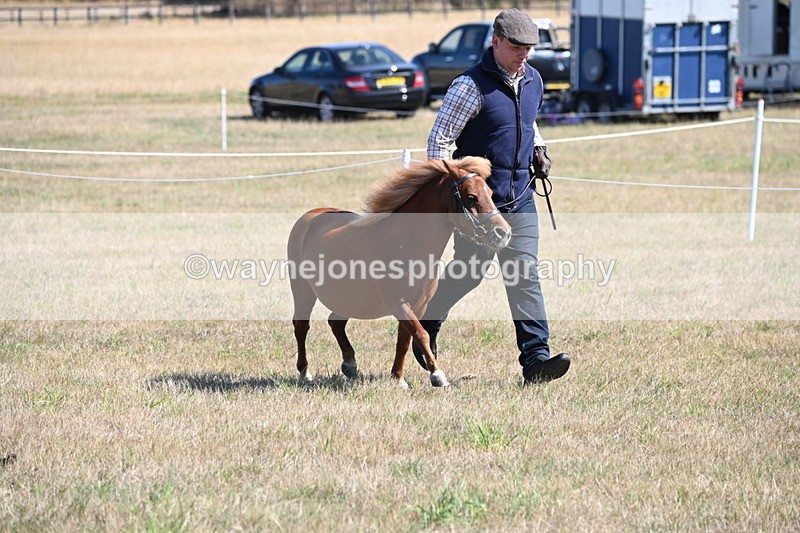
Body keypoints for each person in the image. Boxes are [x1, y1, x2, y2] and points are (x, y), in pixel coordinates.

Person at [413, 8, 570, 384]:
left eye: (529, 48)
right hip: (479, 206)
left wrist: (540, 148)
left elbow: (526, 121)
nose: (524, 55)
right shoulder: (469, 87)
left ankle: (535, 360)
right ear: (496, 41)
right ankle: (424, 326)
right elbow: (438, 141)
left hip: (521, 197)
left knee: (524, 275)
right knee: (468, 274)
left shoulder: (533, 79)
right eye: (516, 46)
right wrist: (452, 195)